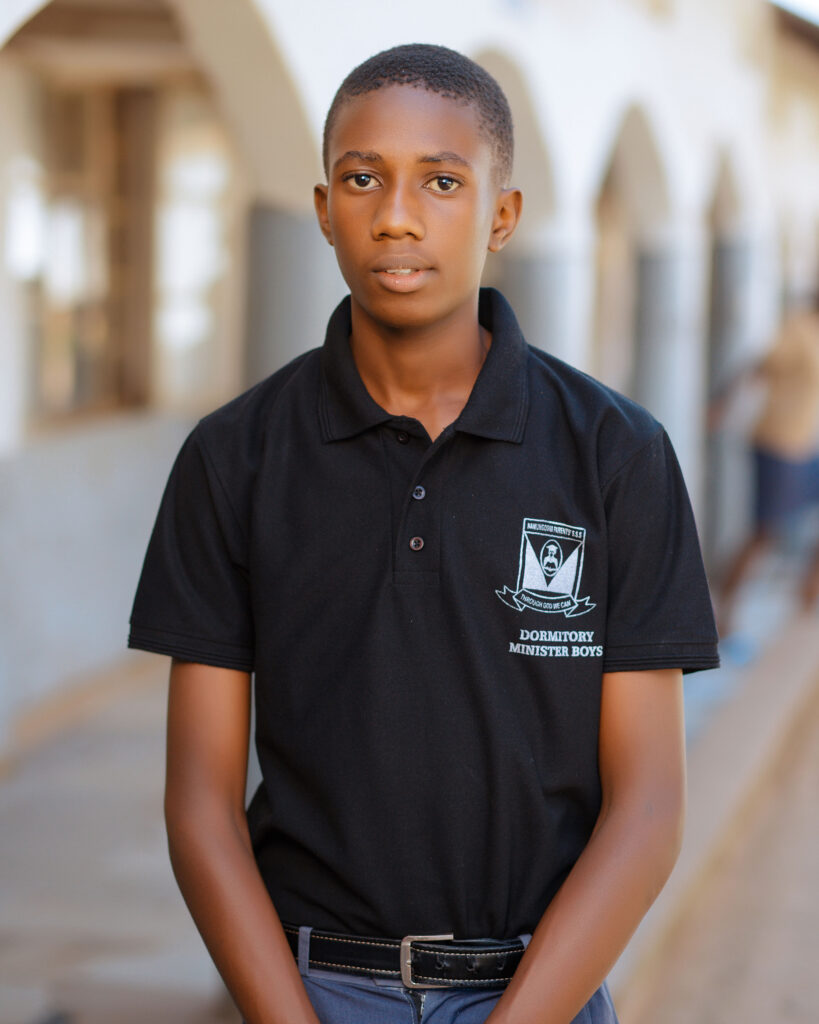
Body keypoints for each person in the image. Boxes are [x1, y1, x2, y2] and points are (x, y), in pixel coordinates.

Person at [128, 44, 719, 1024]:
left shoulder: (615, 455)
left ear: (502, 213)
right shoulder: (235, 458)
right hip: (314, 987)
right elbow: (199, 804)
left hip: (540, 990)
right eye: (363, 179)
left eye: (441, 182)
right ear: (324, 208)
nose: (396, 216)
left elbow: (649, 805)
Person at [713, 292, 819, 634]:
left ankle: (806, 605)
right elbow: (755, 365)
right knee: (765, 532)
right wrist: (722, 402)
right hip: (778, 443)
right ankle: (723, 611)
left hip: (806, 445)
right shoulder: (799, 329)